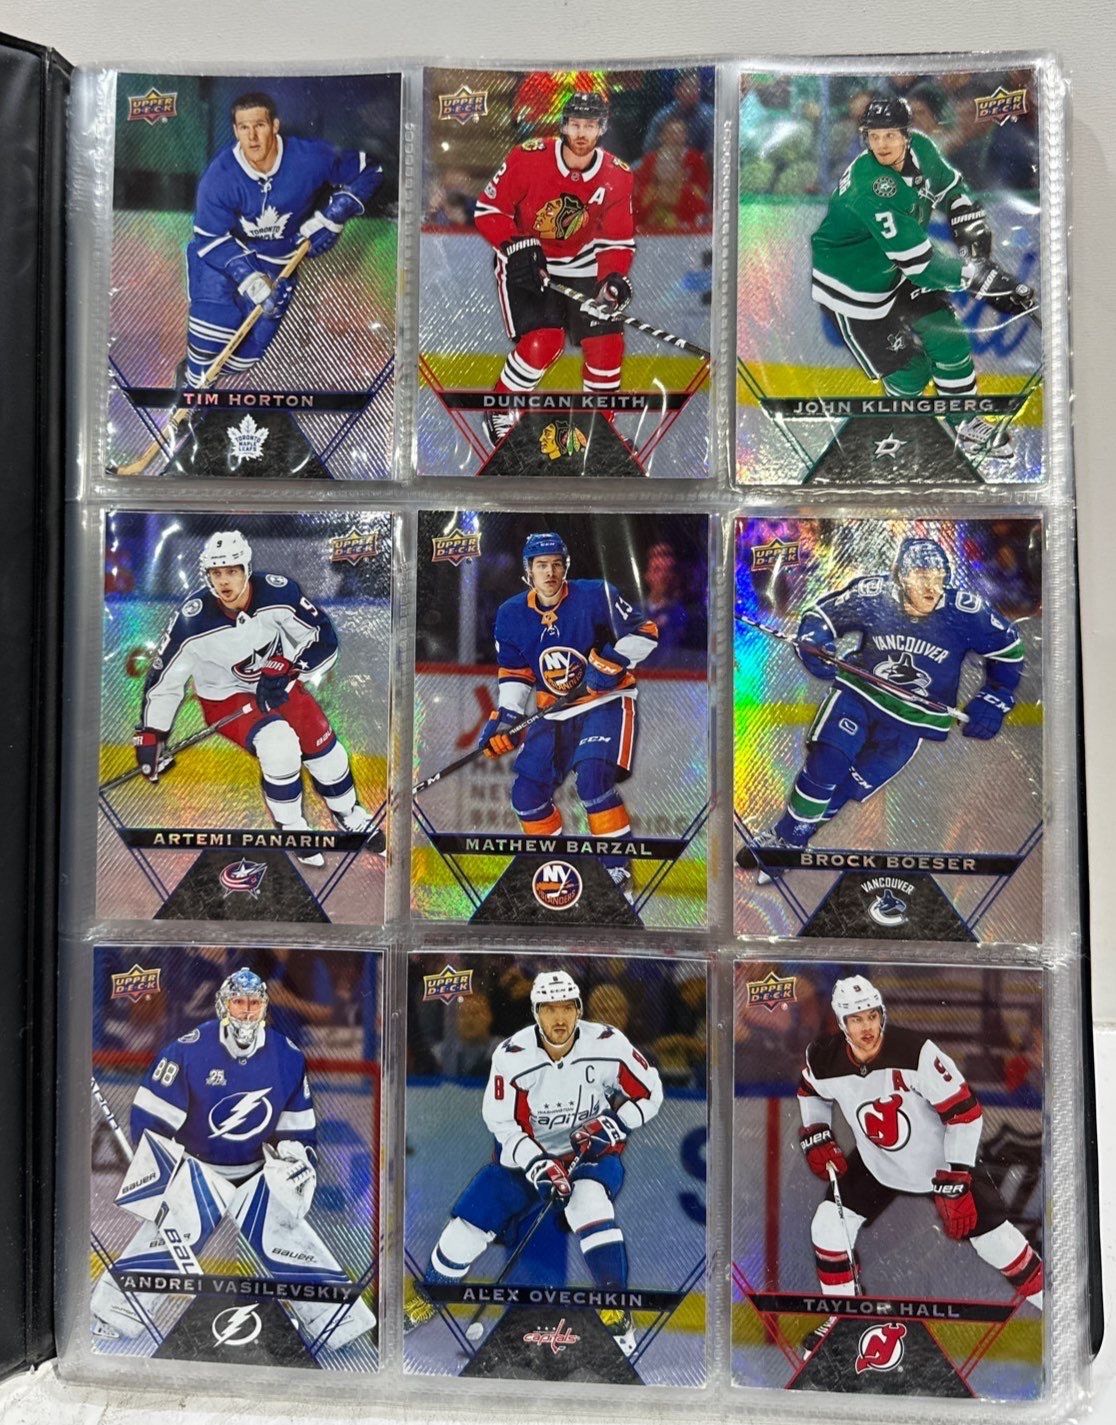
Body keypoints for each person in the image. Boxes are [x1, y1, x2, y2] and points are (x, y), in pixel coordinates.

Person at [91, 968, 376, 1349]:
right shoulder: (189, 1050)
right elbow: (150, 1117)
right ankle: (113, 1313)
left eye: (254, 1003)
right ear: (223, 1005)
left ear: (265, 1007)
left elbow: (298, 1129)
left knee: (286, 1233)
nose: (246, 1011)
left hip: (255, 1169)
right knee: (174, 1232)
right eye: (238, 1002)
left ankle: (339, 1324)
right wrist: (163, 1175)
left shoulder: (287, 1056)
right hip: (199, 1169)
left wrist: (295, 1160)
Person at [405, 970, 663, 1357]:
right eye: (549, 1009)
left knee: (589, 1204)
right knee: (467, 1228)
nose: (559, 1018)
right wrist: (538, 1164)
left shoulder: (608, 1045)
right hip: (525, 1158)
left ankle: (615, 1308)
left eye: (567, 1008)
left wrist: (615, 1123)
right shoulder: (512, 1057)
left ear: (579, 1010)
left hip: (589, 1153)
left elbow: (650, 1091)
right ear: (535, 1012)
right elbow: (502, 1123)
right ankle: (431, 1295)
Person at [746, 537, 1023, 877]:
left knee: (846, 788)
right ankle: (784, 843)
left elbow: (1009, 649)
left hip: (911, 722)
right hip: (860, 696)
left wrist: (996, 697)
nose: (931, 586)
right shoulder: (874, 594)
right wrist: (814, 641)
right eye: (922, 576)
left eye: (938, 577)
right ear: (902, 576)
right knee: (828, 762)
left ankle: (790, 837)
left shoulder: (966, 612)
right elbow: (823, 616)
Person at [796, 975, 1042, 1356]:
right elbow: (810, 1090)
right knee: (827, 1226)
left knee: (997, 1243)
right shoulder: (825, 1058)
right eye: (856, 1019)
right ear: (842, 1024)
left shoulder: (917, 1053)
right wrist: (816, 1130)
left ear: (882, 1014)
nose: (867, 1027)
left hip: (939, 1164)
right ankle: (843, 1320)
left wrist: (957, 1176)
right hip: (877, 1163)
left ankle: (1059, 1311)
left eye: (872, 1015)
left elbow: (965, 1113)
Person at [810, 95, 1036, 459]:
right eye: (873, 136)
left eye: (889, 135)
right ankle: (897, 431)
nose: (881, 144)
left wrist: (966, 218)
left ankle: (966, 424)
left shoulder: (923, 150)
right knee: (911, 373)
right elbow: (920, 265)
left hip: (895, 272)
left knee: (948, 337)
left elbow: (951, 190)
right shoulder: (871, 187)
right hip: (855, 288)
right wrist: (978, 277)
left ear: (906, 134)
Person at [133, 529, 376, 867]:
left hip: (277, 684)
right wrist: (152, 732)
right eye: (216, 573)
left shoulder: (279, 593)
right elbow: (165, 679)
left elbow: (324, 638)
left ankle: (349, 813)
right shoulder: (192, 619)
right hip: (225, 698)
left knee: (326, 750)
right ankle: (293, 827)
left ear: (247, 569)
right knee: (279, 745)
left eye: (232, 571)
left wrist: (292, 668)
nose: (224, 581)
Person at [477, 532, 660, 900]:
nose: (550, 572)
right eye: (542, 566)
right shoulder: (511, 614)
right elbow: (515, 673)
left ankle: (616, 874)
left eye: (557, 565)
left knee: (593, 780)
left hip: (605, 701)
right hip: (555, 711)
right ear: (528, 571)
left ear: (566, 567)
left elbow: (646, 631)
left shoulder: (595, 595)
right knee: (526, 795)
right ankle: (556, 869)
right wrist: (507, 718)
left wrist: (612, 661)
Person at [181, 90, 383, 391]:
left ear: (274, 125)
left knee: (247, 355)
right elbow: (209, 238)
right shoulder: (220, 176)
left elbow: (371, 170)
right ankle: (190, 391)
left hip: (277, 259)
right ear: (235, 131)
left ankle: (201, 386)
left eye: (259, 125)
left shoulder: (309, 158)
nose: (252, 137)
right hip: (221, 258)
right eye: (244, 128)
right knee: (211, 339)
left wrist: (335, 214)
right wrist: (248, 277)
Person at [473, 91, 635, 446]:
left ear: (601, 129)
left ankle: (601, 431)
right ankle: (500, 408)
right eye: (575, 124)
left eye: (589, 126)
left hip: (581, 263)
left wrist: (611, 278)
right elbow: (488, 210)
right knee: (544, 341)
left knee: (607, 344)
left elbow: (617, 240)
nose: (581, 133)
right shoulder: (528, 157)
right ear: (563, 126)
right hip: (527, 262)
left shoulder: (617, 176)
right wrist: (515, 246)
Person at [634, 118, 712, 232]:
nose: (675, 137)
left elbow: (702, 217)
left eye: (679, 133)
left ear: (680, 170)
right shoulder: (646, 195)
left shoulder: (690, 195)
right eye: (661, 164)